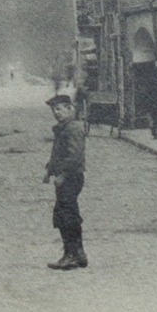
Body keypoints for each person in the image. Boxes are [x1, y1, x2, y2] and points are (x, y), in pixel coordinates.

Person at [41, 93, 88, 271]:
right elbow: (58, 154)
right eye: (54, 110)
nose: (56, 113)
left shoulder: (73, 128)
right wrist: (49, 171)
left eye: (60, 109)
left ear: (70, 109)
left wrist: (62, 175)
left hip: (71, 176)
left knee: (65, 215)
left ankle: (70, 255)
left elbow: (74, 156)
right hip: (67, 176)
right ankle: (79, 254)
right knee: (68, 213)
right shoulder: (64, 128)